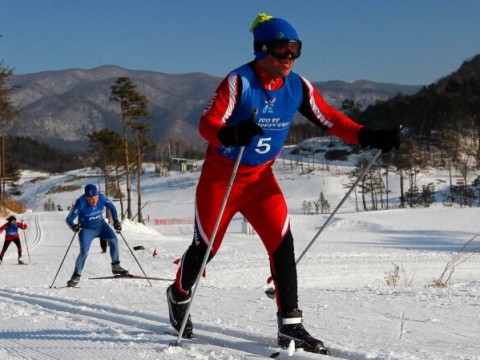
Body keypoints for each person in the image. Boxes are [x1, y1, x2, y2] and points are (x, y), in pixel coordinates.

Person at [166, 13, 400, 354]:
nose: (289, 57)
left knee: (282, 243)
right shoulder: (239, 81)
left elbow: (329, 119)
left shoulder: (297, 86)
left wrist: (368, 136)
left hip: (261, 179)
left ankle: (290, 327)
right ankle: (179, 294)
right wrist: (231, 133)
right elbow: (207, 123)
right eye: (282, 50)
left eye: (295, 50)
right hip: (223, 178)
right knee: (206, 249)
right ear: (262, 50)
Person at [65, 184, 128, 287]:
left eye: (95, 198)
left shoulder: (102, 198)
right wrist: (73, 226)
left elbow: (112, 207)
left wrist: (116, 221)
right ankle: (76, 275)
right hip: (86, 229)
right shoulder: (80, 203)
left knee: (114, 240)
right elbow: (68, 219)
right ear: (86, 197)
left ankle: (116, 266)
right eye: (91, 199)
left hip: (101, 226)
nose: (94, 201)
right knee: (84, 252)